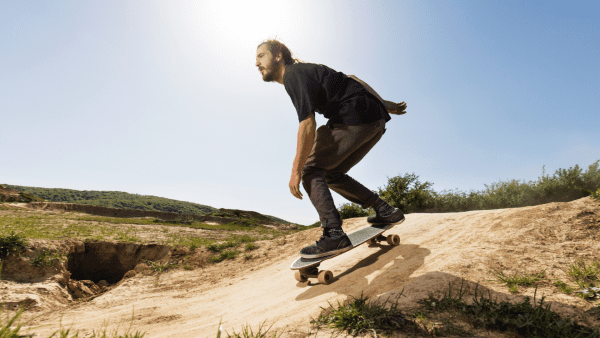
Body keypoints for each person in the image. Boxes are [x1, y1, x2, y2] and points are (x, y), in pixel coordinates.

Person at [255, 39, 407, 259]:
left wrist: (296, 170)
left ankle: (333, 233)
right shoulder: (307, 71)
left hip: (352, 118)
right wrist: (382, 103)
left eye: (261, 56)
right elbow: (353, 78)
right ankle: (385, 211)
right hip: (374, 121)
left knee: (310, 169)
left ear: (278, 55)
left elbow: (307, 124)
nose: (256, 63)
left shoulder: (292, 75)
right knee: (331, 174)